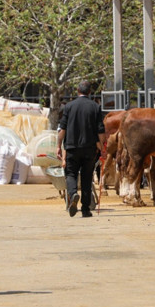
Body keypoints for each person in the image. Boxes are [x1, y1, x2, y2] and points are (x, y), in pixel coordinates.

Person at [56, 81, 105, 218]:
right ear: (89, 92)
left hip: (72, 147)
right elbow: (101, 131)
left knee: (71, 173)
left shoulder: (69, 107)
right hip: (89, 149)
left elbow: (62, 129)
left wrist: (58, 146)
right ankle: (85, 209)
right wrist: (102, 147)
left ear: (77, 90)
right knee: (86, 177)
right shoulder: (95, 107)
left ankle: (72, 194)